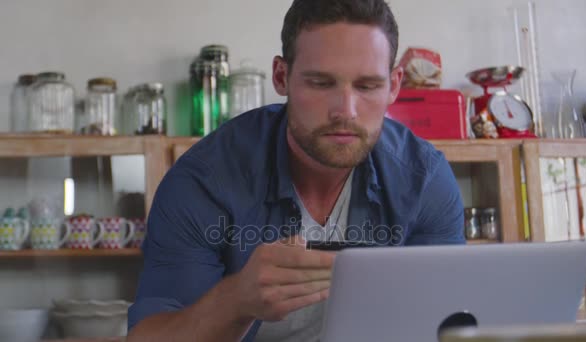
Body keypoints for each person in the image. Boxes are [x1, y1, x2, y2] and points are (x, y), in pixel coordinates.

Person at [127, 0, 464, 341]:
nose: (345, 111)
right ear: (281, 76)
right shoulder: (204, 181)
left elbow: (450, 323)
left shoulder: (424, 180)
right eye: (320, 83)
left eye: (366, 86)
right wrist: (237, 300)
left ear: (394, 85)